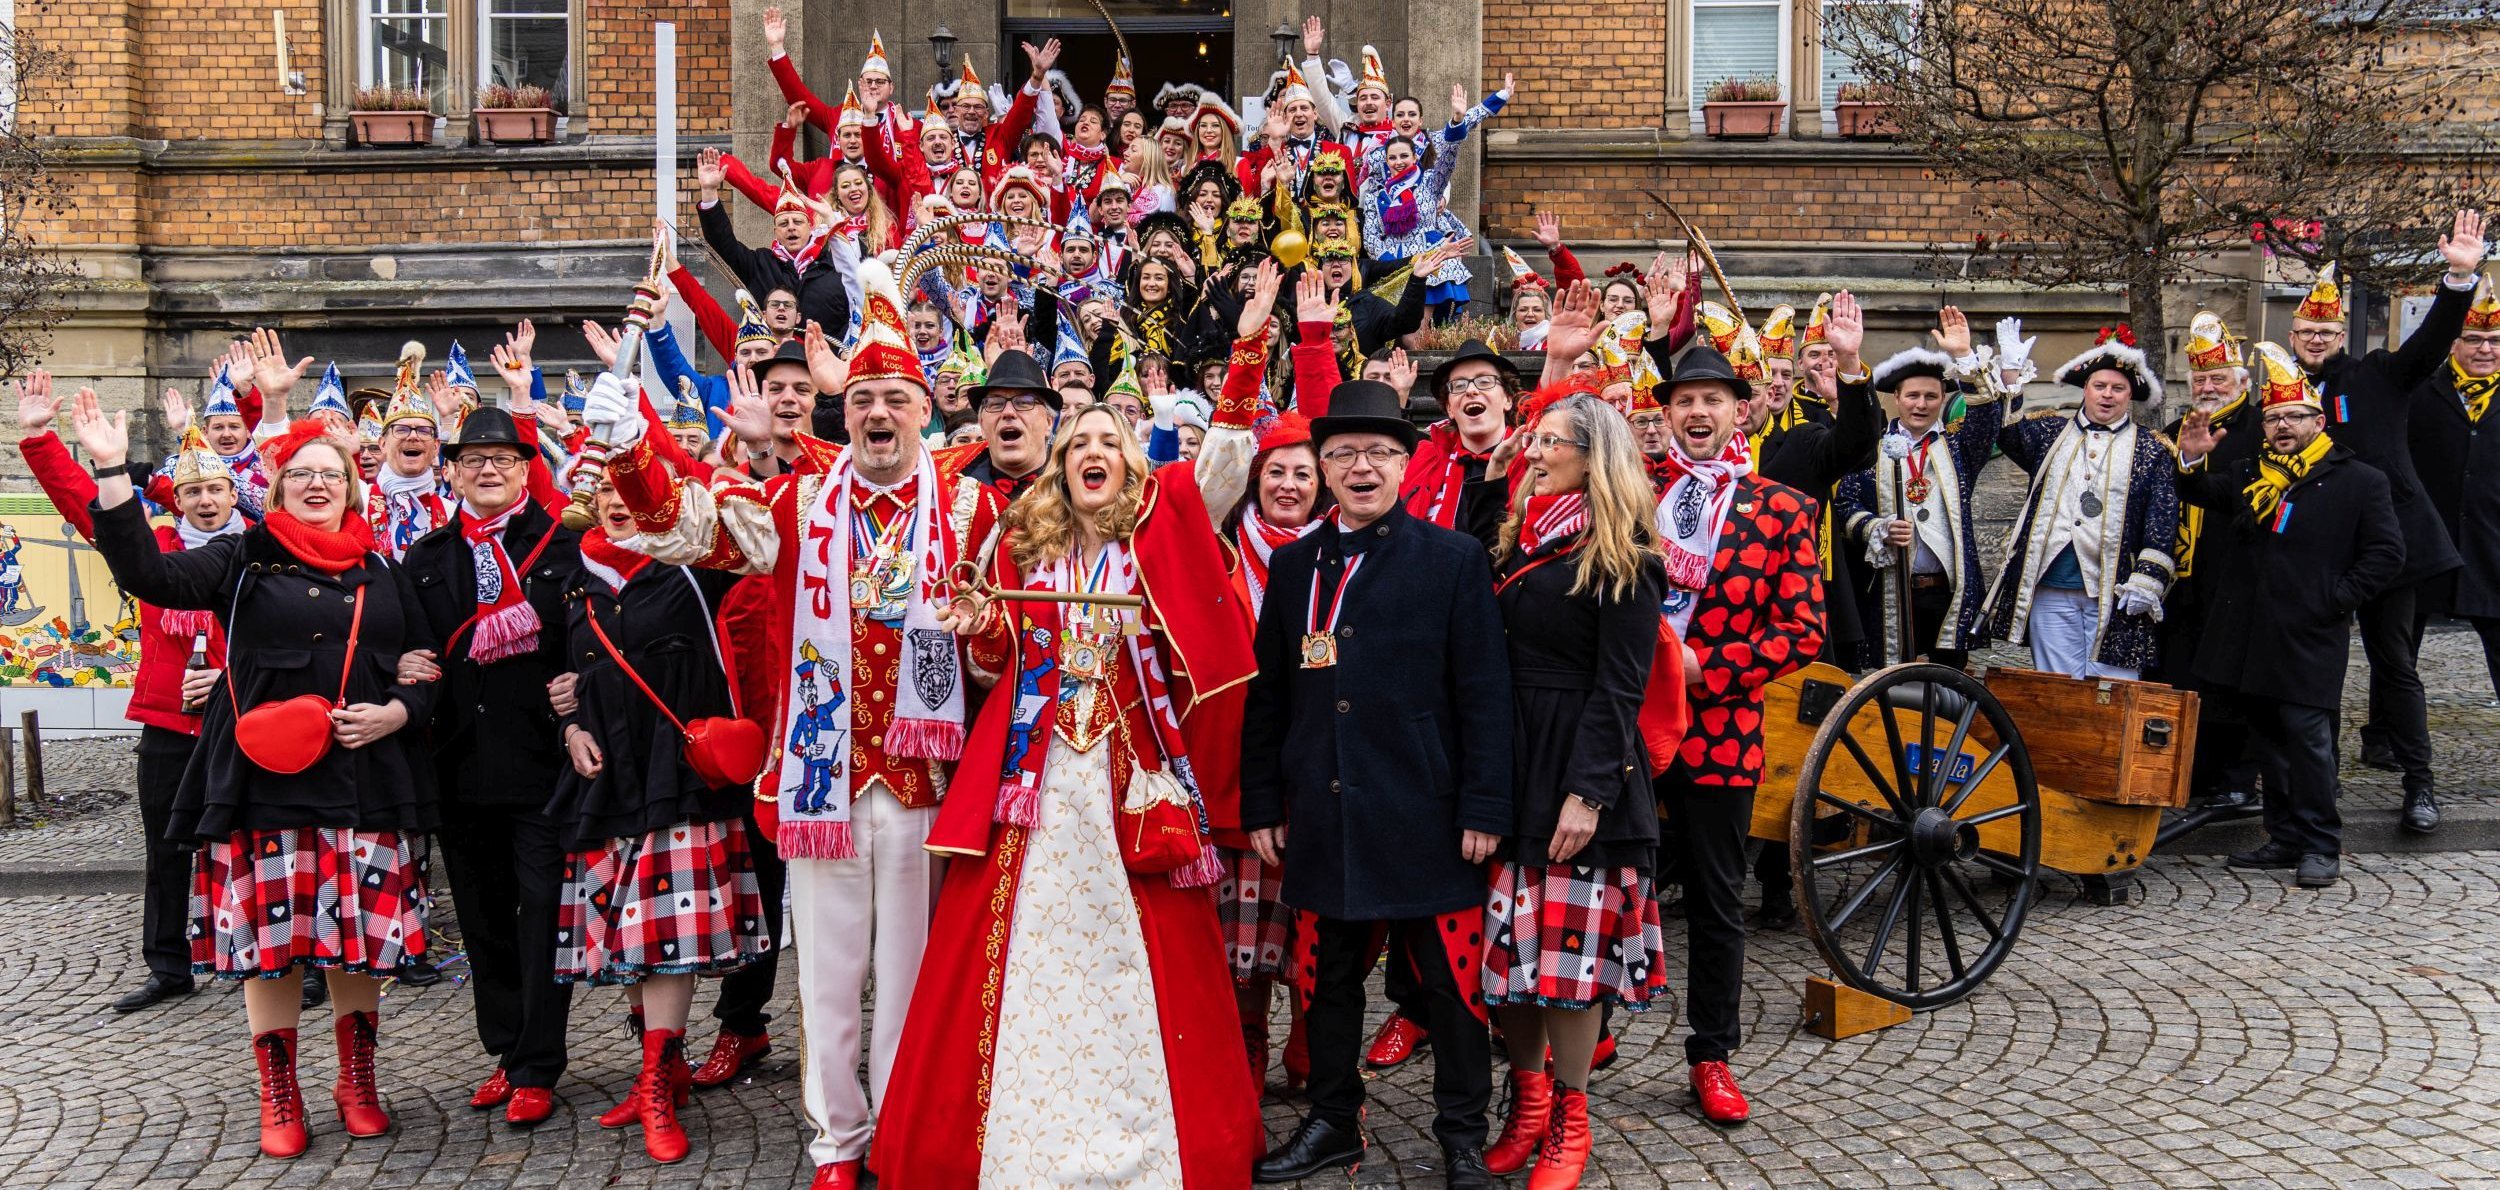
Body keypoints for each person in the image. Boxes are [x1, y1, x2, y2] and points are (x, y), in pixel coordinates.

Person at [582, 259, 1004, 1190]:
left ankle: (898, 1133)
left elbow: (1007, 646)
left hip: (926, 782)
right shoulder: (798, 500)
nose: (879, 415)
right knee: (826, 981)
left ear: (925, 408)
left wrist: (982, 643)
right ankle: (837, 1145)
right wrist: (628, 452)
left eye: (897, 397)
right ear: (839, 411)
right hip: (821, 781)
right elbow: (687, 528)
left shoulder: (974, 507)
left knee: (911, 978)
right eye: (863, 401)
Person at [873, 402, 1261, 1187]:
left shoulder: (1153, 538)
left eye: (1108, 443)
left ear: (1129, 465)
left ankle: (1151, 1138)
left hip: (1127, 774)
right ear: (1060, 466)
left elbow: (1220, 470)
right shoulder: (1025, 546)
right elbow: (993, 668)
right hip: (1033, 777)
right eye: (1078, 442)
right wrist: (980, 625)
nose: (1093, 452)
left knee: (1142, 951)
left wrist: (1251, 354)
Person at [75, 402, 437, 1159]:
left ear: (351, 487)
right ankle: (280, 1088)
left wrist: (397, 713)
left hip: (361, 776)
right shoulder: (243, 559)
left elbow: (427, 665)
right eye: (298, 475)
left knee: (357, 939)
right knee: (271, 941)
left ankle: (357, 1079)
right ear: (273, 491)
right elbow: (148, 573)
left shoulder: (385, 571)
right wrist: (111, 471)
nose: (315, 485)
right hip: (261, 780)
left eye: (328, 475)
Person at [1242, 378, 1513, 1189]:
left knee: (1453, 995)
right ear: (1322, 467)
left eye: (1378, 453)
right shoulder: (1295, 568)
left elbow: (1485, 693)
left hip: (1430, 817)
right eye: (1343, 455)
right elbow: (1270, 693)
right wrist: (1262, 799)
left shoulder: (1452, 558)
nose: (1361, 468)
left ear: (1405, 463)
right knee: (1323, 988)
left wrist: (1485, 805)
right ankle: (1332, 1119)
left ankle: (1462, 1134)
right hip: (1326, 812)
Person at [1460, 391, 1667, 1190]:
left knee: (1569, 962)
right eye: (1533, 439)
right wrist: (1491, 478)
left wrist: (1589, 795)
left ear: (1593, 456)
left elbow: (1622, 690)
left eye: (1548, 442)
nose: (1533, 452)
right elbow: (1466, 573)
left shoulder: (1626, 555)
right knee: (1509, 951)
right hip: (1510, 759)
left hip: (1577, 762)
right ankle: (1530, 1099)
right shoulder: (1521, 537)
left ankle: (1571, 1116)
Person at [546, 465, 771, 1164]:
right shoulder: (575, 579)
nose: (617, 504)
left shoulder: (695, 567)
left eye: (629, 491)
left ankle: (652, 1077)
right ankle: (666, 1073)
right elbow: (575, 677)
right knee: (629, 927)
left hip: (679, 773)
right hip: (608, 773)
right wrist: (571, 727)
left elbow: (753, 546)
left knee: (661, 929)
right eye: (604, 494)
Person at [16, 375, 243, 1014]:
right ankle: (170, 966)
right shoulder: (155, 549)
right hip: (169, 722)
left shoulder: (259, 553)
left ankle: (284, 959)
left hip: (245, 719)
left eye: (215, 489)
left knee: (261, 840)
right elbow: (82, 502)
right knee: (166, 844)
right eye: (192, 490)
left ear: (235, 494)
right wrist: (40, 439)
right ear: (178, 500)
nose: (204, 501)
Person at [1646, 343, 1823, 1127]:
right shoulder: (1628, 495)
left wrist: (1700, 669)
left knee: (1718, 901)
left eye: (1714, 400)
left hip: (1719, 729)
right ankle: (1587, 1038)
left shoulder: (1782, 509)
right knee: (1613, 886)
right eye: (1685, 400)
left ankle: (1711, 1054)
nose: (1698, 412)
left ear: (1739, 412)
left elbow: (1801, 632)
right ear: (1667, 412)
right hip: (1626, 726)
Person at [399, 407, 581, 1126]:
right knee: (481, 917)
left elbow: (591, 635)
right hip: (459, 764)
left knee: (541, 912)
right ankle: (506, 1051)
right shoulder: (425, 557)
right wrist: (398, 664)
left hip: (542, 762)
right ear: (451, 469)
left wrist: (582, 692)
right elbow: (408, 644)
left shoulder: (564, 545)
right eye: (472, 458)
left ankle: (540, 1063)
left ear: (526, 467)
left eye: (502, 458)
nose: (487, 469)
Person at [2178, 343, 2404, 889]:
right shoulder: (2253, 471)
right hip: (2251, 635)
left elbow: (2386, 555)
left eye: (2293, 417)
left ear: (2318, 421)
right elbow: (2205, 492)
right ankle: (2282, 838)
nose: (2281, 426)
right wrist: (2188, 458)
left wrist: (2333, 600)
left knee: (2308, 743)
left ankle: (2321, 844)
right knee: (2268, 743)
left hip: (2309, 636)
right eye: (2274, 417)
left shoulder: (2359, 480)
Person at [2294, 211, 2484, 833]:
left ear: (2339, 334)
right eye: (2305, 328)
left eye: (2324, 329)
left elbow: (2429, 344)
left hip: (2389, 547)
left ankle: (2418, 783)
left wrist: (2458, 279)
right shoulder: (2279, 389)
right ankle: (2303, 790)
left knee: (2394, 662)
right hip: (2312, 551)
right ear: (2292, 334)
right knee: (2307, 664)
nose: (2315, 337)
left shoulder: (2377, 375)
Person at [1981, 327, 2178, 681]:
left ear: (2129, 395)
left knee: (2114, 692)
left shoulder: (2152, 449)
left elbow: (2161, 522)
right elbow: (2004, 432)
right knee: (2058, 691)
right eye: (2099, 386)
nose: (2107, 395)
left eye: (2117, 388)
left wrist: (2148, 580)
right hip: (2052, 588)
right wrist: (2010, 377)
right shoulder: (2049, 433)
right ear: (2085, 389)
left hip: (2116, 592)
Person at [1837, 309, 2010, 668]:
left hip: (1946, 591)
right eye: (1913, 395)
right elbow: (1846, 507)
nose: (1921, 404)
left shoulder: (1959, 447)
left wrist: (1964, 356)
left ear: (1942, 400)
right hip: (1890, 590)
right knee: (1892, 686)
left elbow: (1989, 417)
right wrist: (1877, 528)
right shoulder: (1871, 449)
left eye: (1931, 397)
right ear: (1897, 398)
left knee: (1948, 687)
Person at [2153, 311, 2264, 812]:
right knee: (2186, 675)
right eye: (2200, 379)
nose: (2209, 386)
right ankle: (2190, 775)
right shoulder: (2175, 430)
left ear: (2242, 380)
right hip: (2184, 577)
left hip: (2238, 569)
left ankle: (2238, 778)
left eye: (2218, 377)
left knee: (2234, 679)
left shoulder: (2263, 426)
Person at [2409, 276, 2500, 785]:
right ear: (2455, 344)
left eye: (2494, 341)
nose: (2485, 349)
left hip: (2493, 545)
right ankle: (2385, 738)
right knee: (2400, 652)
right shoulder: (2423, 392)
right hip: (2427, 541)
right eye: (2474, 340)